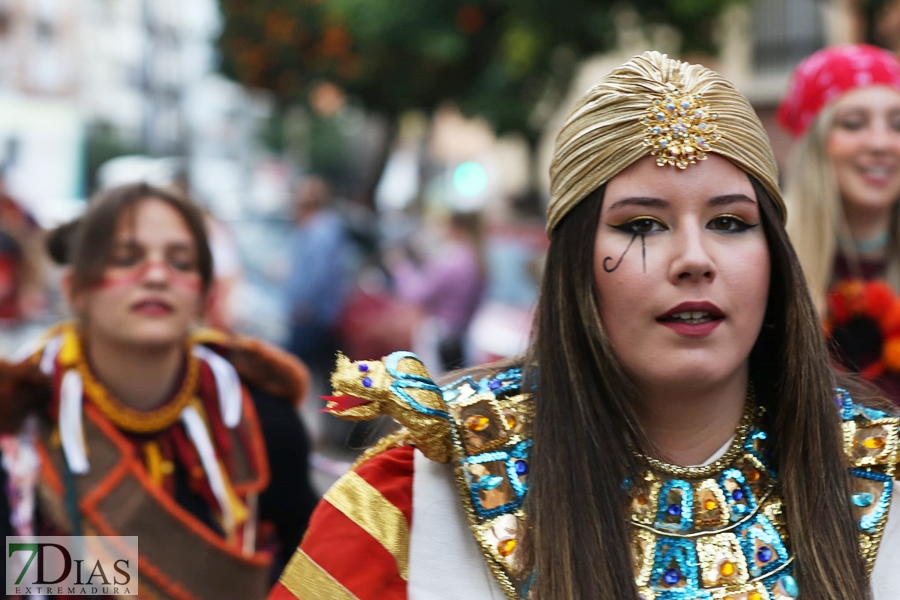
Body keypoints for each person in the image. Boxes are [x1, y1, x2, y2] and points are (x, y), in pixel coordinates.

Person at [268, 51, 900, 600]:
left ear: (775, 260)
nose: (693, 259)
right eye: (641, 225)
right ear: (574, 267)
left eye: (730, 222)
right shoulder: (419, 493)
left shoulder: (880, 474)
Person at [0, 183, 319, 599]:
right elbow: (15, 577)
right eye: (125, 258)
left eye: (181, 262)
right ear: (75, 288)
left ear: (206, 294)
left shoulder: (259, 420)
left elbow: (313, 573)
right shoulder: (20, 422)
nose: (156, 275)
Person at [778, 44, 900, 402]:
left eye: (897, 124)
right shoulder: (770, 265)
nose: (880, 143)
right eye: (853, 123)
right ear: (813, 143)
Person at [389, 211, 486, 373]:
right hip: (463, 335)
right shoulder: (477, 258)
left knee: (435, 386)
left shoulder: (451, 260)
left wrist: (400, 267)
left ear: (455, 227)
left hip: (440, 336)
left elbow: (417, 295)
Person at [283, 176, 353, 386]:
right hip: (319, 315)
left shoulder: (319, 231)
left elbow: (317, 275)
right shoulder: (323, 228)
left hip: (312, 317)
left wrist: (304, 305)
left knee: (291, 375)